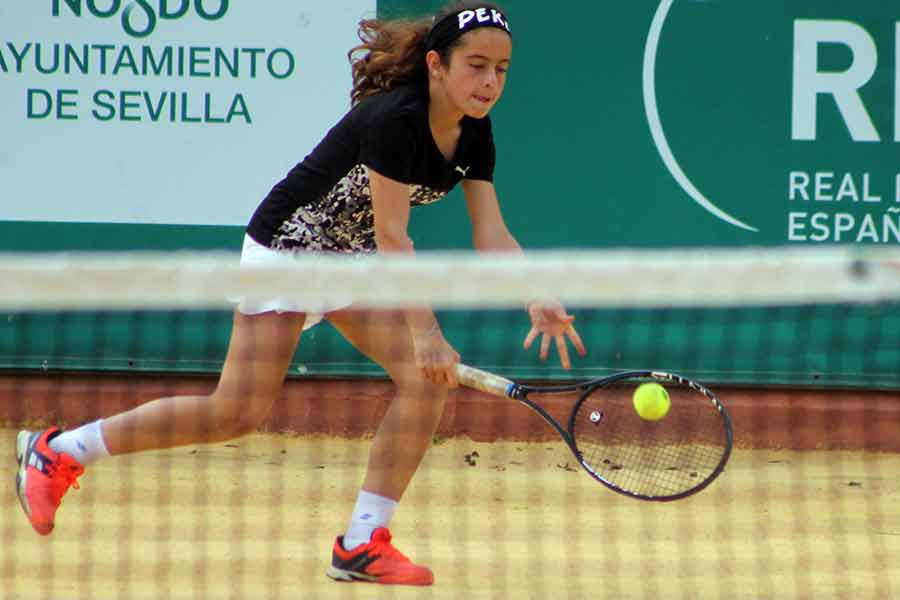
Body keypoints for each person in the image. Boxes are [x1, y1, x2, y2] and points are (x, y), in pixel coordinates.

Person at [14, 1, 586, 587]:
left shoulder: (475, 133)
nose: (490, 82)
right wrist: (427, 333)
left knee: (422, 383)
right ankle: (63, 450)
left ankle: (361, 543)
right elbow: (393, 236)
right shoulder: (395, 120)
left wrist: (534, 293)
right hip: (290, 247)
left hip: (349, 259)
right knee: (234, 411)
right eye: (477, 65)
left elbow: (491, 233)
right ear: (436, 64)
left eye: (501, 70)